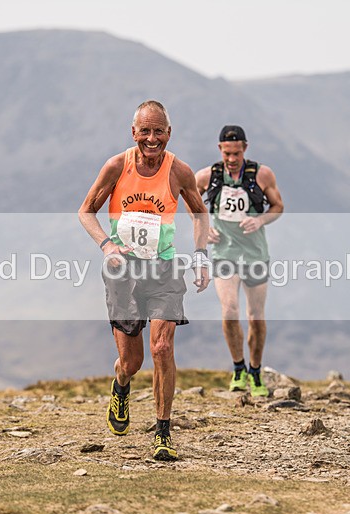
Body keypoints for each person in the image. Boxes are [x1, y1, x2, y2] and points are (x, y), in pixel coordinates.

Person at [78, 100, 211, 461]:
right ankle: (121, 385)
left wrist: (201, 256)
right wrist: (107, 246)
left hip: (164, 269)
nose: (152, 139)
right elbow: (86, 211)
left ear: (169, 133)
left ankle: (163, 432)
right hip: (123, 272)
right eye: (145, 131)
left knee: (162, 348)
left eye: (159, 132)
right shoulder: (116, 166)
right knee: (132, 361)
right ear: (134, 132)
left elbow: (200, 214)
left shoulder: (178, 171)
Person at [194, 125, 284, 396]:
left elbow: (278, 206)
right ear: (220, 149)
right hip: (225, 252)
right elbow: (190, 200)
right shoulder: (207, 176)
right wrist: (204, 226)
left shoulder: (262, 174)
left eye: (236, 153)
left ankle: (255, 372)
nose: (232, 159)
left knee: (255, 316)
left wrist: (260, 220)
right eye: (227, 153)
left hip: (255, 253)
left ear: (245, 148)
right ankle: (238, 368)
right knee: (230, 310)